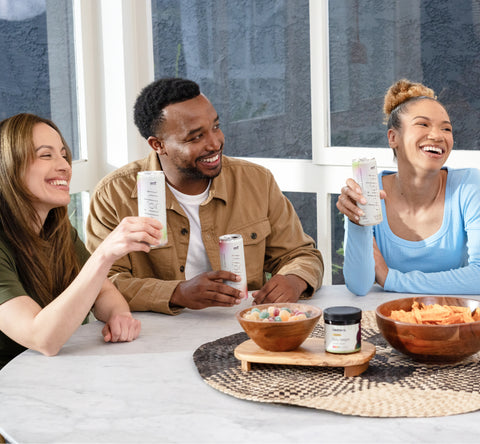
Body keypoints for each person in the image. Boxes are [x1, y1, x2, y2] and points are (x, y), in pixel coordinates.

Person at [86, 77, 323, 315]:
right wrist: (177, 293)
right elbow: (102, 282)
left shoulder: (256, 181)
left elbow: (301, 254)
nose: (215, 143)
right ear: (158, 145)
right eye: (196, 137)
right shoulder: (113, 195)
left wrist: (294, 280)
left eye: (216, 127)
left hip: (245, 325)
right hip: (151, 335)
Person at [0, 113, 164, 369]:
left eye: (64, 154)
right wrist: (105, 254)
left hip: (50, 375)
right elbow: (43, 339)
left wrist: (117, 314)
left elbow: (103, 290)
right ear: (10, 166)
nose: (65, 165)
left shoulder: (56, 230)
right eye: (46, 155)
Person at [337, 79, 480, 296]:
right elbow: (359, 285)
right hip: (390, 318)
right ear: (393, 137)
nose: (438, 135)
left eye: (446, 128)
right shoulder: (368, 192)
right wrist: (357, 224)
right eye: (423, 124)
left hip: (452, 319)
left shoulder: (468, 186)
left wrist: (392, 278)